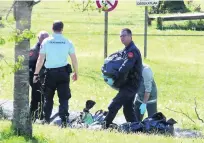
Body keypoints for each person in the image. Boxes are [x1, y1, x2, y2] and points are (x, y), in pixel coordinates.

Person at [33, 20, 78, 127]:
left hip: (50, 74)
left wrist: (36, 74)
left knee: (48, 98)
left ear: (52, 28)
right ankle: (64, 120)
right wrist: (76, 72)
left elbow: (40, 59)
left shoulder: (46, 42)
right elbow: (74, 59)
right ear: (62, 29)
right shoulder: (67, 42)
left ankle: (46, 119)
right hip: (63, 73)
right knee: (64, 98)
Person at [103, 28, 143, 128]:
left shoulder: (132, 51)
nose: (122, 38)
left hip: (131, 85)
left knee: (114, 104)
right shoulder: (126, 50)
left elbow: (126, 66)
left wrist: (116, 75)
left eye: (124, 35)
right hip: (127, 84)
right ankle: (136, 129)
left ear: (130, 36)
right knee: (128, 109)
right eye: (120, 36)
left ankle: (105, 125)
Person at [29, 31, 49, 122]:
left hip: (45, 76)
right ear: (39, 39)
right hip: (36, 76)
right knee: (36, 96)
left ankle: (41, 116)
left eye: (46, 38)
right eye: (43, 38)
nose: (45, 40)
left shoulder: (48, 48)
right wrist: (35, 76)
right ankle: (33, 116)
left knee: (43, 97)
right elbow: (30, 65)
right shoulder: (34, 50)